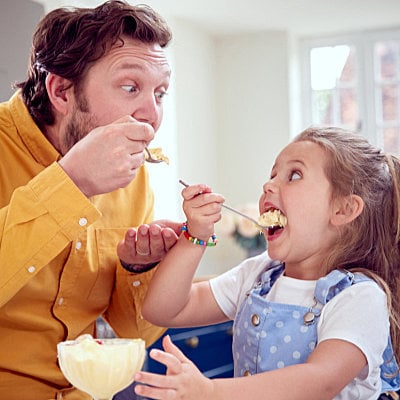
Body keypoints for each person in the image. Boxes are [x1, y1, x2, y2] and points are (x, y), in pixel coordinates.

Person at [134, 126, 400, 400]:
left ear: (343, 209)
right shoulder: (259, 274)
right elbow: (162, 310)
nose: (268, 185)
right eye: (272, 174)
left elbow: (320, 381)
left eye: (293, 175)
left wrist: (210, 391)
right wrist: (195, 237)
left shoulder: (360, 297)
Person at [0, 1, 182, 398]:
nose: (151, 114)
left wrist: (139, 268)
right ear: (61, 91)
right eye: (130, 87)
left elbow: (134, 332)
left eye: (161, 93)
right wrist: (73, 182)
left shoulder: (135, 181)